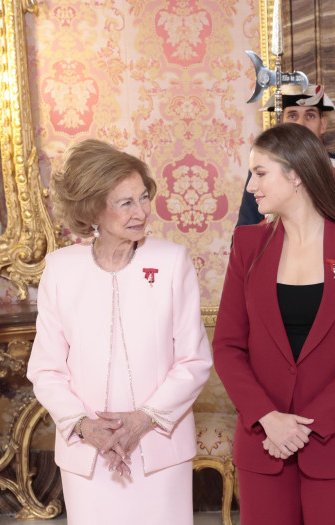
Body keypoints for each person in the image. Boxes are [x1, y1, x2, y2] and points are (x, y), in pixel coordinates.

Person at [26, 139, 213, 525]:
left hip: (158, 448)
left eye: (143, 198)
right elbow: (46, 369)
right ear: (93, 208)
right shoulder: (60, 269)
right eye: (125, 202)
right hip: (88, 452)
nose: (142, 211)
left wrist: (142, 420)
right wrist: (86, 427)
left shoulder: (171, 261)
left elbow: (193, 361)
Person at [213, 123, 335, 524]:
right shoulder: (247, 244)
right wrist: (268, 418)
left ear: (296, 174)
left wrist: (306, 428)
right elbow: (227, 346)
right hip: (264, 443)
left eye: (260, 173)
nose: (251, 186)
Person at [236, 83, 335, 231]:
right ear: (280, 124)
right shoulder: (262, 173)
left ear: (323, 125)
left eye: (310, 115)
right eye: (293, 115)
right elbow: (243, 241)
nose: (301, 123)